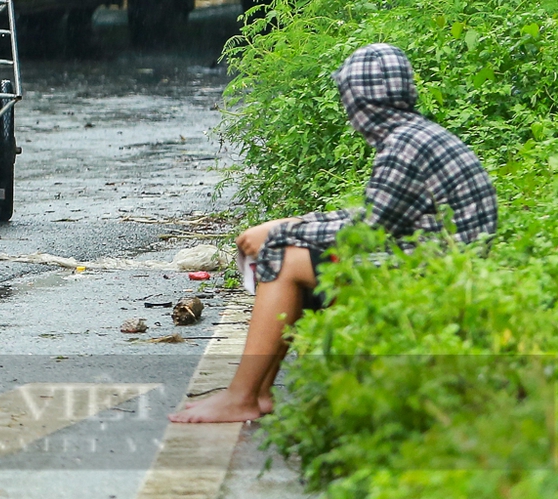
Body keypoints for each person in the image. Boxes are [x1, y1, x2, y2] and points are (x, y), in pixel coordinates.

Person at [170, 44, 497, 425]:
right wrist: (290, 226)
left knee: (284, 257)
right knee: (289, 248)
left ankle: (243, 395)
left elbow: (368, 230)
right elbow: (381, 215)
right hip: (439, 265)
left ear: (361, 101)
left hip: (429, 276)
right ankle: (255, 393)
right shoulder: (417, 135)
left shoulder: (401, 146)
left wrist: (282, 229)